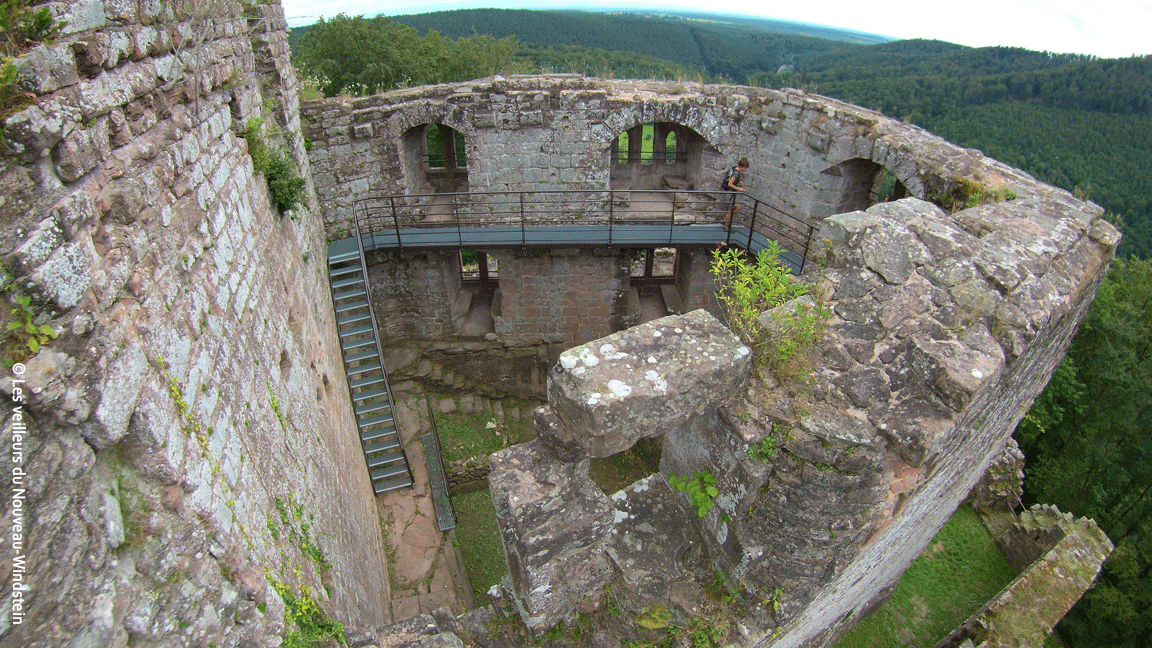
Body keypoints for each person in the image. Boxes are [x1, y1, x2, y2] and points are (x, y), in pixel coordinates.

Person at [722, 158, 749, 230]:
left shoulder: (734, 169)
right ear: (742, 166)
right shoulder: (736, 173)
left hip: (732, 193)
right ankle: (726, 225)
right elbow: (730, 184)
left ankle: (726, 220)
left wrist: (739, 181)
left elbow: (732, 177)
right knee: (730, 209)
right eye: (745, 168)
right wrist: (739, 189)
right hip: (731, 193)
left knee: (736, 208)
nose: (745, 169)